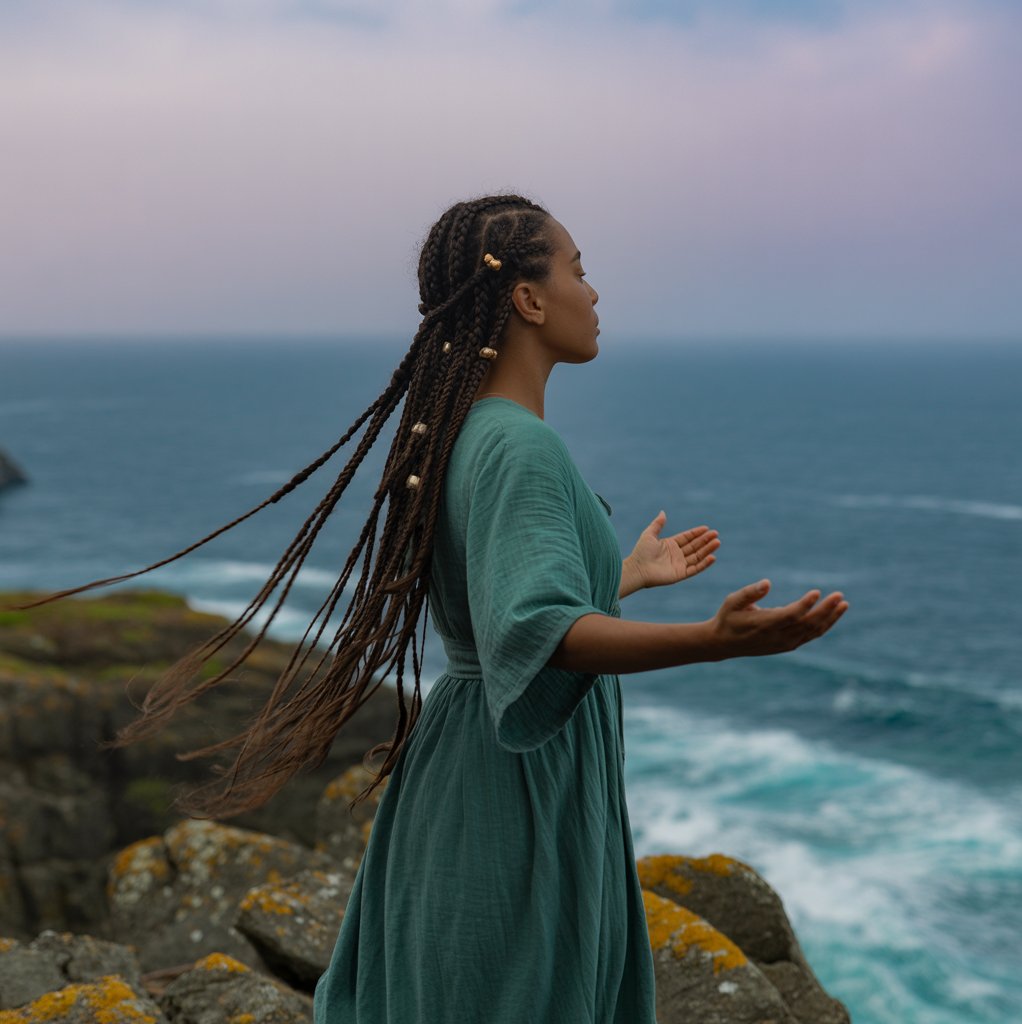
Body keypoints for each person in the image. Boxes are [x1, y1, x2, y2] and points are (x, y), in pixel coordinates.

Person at [13, 194, 847, 1023]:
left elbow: (499, 599)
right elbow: (534, 631)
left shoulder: (476, 433)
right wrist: (713, 640)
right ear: (527, 298)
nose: (594, 294)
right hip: (512, 783)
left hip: (478, 765)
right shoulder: (521, 445)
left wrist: (618, 575)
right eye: (579, 271)